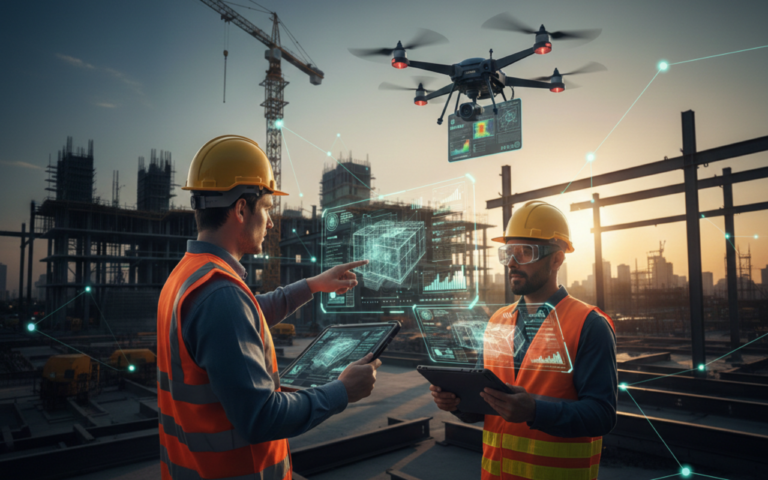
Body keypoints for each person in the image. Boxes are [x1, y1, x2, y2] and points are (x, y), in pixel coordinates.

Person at [157, 135, 381, 480]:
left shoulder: (187, 276)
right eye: (266, 209)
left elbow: (244, 316)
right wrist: (341, 391)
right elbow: (262, 417)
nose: (272, 222)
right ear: (241, 209)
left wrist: (311, 285)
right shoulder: (220, 295)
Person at [430, 200, 617, 480]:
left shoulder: (589, 325)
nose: (513, 263)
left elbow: (602, 415)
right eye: (507, 253)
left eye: (525, 252)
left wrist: (535, 411)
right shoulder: (496, 322)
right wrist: (456, 404)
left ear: (557, 259)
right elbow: (486, 407)